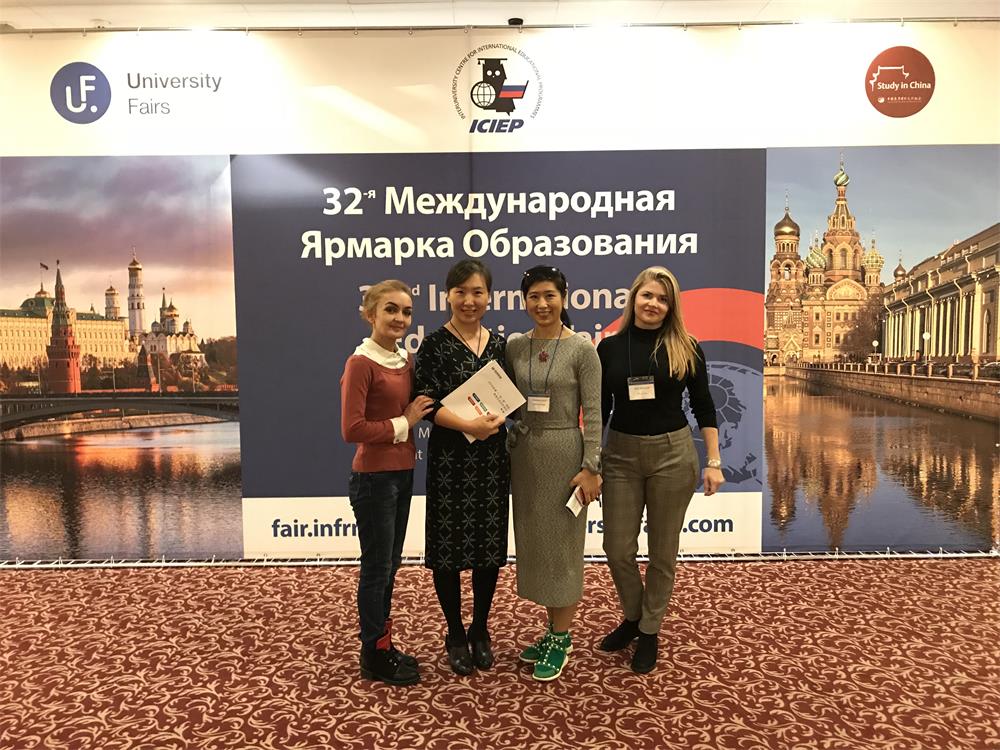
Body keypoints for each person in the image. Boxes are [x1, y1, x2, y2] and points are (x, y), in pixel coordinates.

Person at [596, 266, 724, 673]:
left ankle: (649, 630)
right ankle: (634, 617)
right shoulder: (608, 348)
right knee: (617, 549)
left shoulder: (687, 346)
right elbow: (598, 410)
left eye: (663, 299)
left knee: (662, 553)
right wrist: (590, 461)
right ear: (634, 297)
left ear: (672, 307)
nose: (653, 304)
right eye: (647, 295)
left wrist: (714, 461)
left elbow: (704, 406)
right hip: (620, 454)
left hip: (672, 455)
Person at [505, 265, 602, 682]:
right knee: (539, 548)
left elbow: (594, 413)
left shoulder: (582, 349)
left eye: (550, 295)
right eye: (534, 297)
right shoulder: (515, 345)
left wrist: (592, 467)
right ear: (524, 301)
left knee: (562, 548)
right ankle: (551, 630)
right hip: (525, 454)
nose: (542, 304)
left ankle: (561, 637)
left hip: (565, 455)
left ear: (564, 296)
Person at [414, 260, 507, 675]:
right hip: (450, 460)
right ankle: (454, 632)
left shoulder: (499, 345)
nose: (469, 300)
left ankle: (480, 628)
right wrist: (469, 425)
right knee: (448, 552)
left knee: (488, 549)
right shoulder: (433, 345)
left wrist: (501, 416)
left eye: (478, 292)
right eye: (461, 292)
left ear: (489, 296)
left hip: (492, 460)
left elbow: (509, 397)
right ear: (448, 295)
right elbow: (426, 403)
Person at [340, 279, 434, 686]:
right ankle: (373, 654)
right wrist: (405, 422)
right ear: (370, 314)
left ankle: (382, 644)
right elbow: (352, 429)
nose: (400, 318)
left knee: (389, 565)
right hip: (374, 478)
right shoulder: (360, 363)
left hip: (401, 473)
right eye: (391, 309)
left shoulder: (404, 361)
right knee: (377, 568)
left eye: (406, 311)